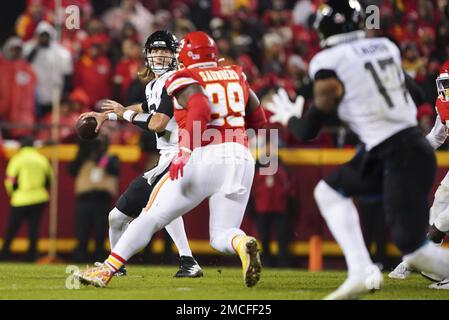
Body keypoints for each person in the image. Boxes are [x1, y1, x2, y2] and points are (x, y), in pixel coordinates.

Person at [267, 0, 449, 300]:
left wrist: (289, 117)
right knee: (328, 190)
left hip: (399, 152)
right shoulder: (385, 47)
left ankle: (363, 269)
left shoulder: (327, 60)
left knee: (415, 252)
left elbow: (309, 129)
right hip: (400, 146)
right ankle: (360, 271)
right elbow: (416, 95)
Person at [75, 31, 267, 288]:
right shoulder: (235, 73)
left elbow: (193, 109)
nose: (162, 56)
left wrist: (186, 150)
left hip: (197, 155)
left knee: (151, 215)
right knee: (222, 234)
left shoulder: (183, 77)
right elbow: (259, 120)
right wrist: (266, 153)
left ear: (183, 54)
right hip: (240, 157)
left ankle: (108, 270)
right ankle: (242, 243)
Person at [78, 30, 203, 278]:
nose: (158, 56)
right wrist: (107, 116)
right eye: (154, 51)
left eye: (164, 51)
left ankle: (188, 260)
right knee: (116, 217)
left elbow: (157, 123)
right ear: (147, 55)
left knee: (162, 206)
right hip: (167, 158)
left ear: (174, 55)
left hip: (181, 154)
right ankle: (118, 266)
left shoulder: (175, 80)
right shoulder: (154, 85)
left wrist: (127, 115)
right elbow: (141, 109)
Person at [389, 61, 449, 289]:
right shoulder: (444, 105)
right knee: (439, 205)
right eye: (444, 83)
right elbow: (437, 136)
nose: (445, 89)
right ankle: (422, 262)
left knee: (444, 221)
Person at [68, 135, 120, 262]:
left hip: (102, 199)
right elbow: (71, 170)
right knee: (82, 232)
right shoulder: (83, 158)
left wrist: (99, 156)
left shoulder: (111, 158)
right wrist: (83, 151)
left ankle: (99, 259)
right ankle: (80, 258)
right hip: (84, 198)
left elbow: (114, 169)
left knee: (100, 233)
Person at [0, 136, 52, 261]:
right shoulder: (42, 159)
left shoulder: (17, 159)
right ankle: (31, 257)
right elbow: (50, 179)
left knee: (12, 229)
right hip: (40, 198)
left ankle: (4, 255)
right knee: (34, 229)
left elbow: (10, 180)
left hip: (20, 199)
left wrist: (12, 193)